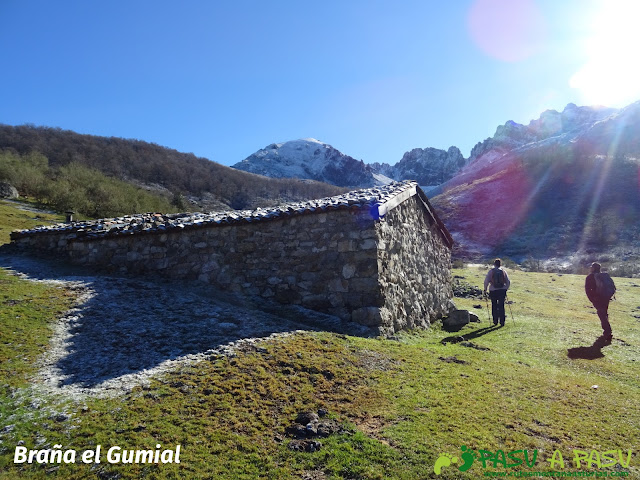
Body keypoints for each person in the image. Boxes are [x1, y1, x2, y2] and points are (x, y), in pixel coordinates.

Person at [585, 262, 613, 342]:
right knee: (604, 313)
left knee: (602, 314)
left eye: (591, 267)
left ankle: (608, 332)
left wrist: (593, 299)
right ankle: (607, 332)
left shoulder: (590, 277)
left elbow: (588, 290)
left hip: (598, 298)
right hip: (606, 297)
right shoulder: (603, 276)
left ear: (593, 268)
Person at [483, 259, 511, 326]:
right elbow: (508, 281)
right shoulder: (503, 271)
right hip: (502, 290)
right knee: (501, 305)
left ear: (494, 264)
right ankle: (502, 322)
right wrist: (505, 289)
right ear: (500, 264)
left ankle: (495, 321)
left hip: (493, 290)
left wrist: (485, 289)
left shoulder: (491, 271)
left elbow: (486, 281)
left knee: (494, 305)